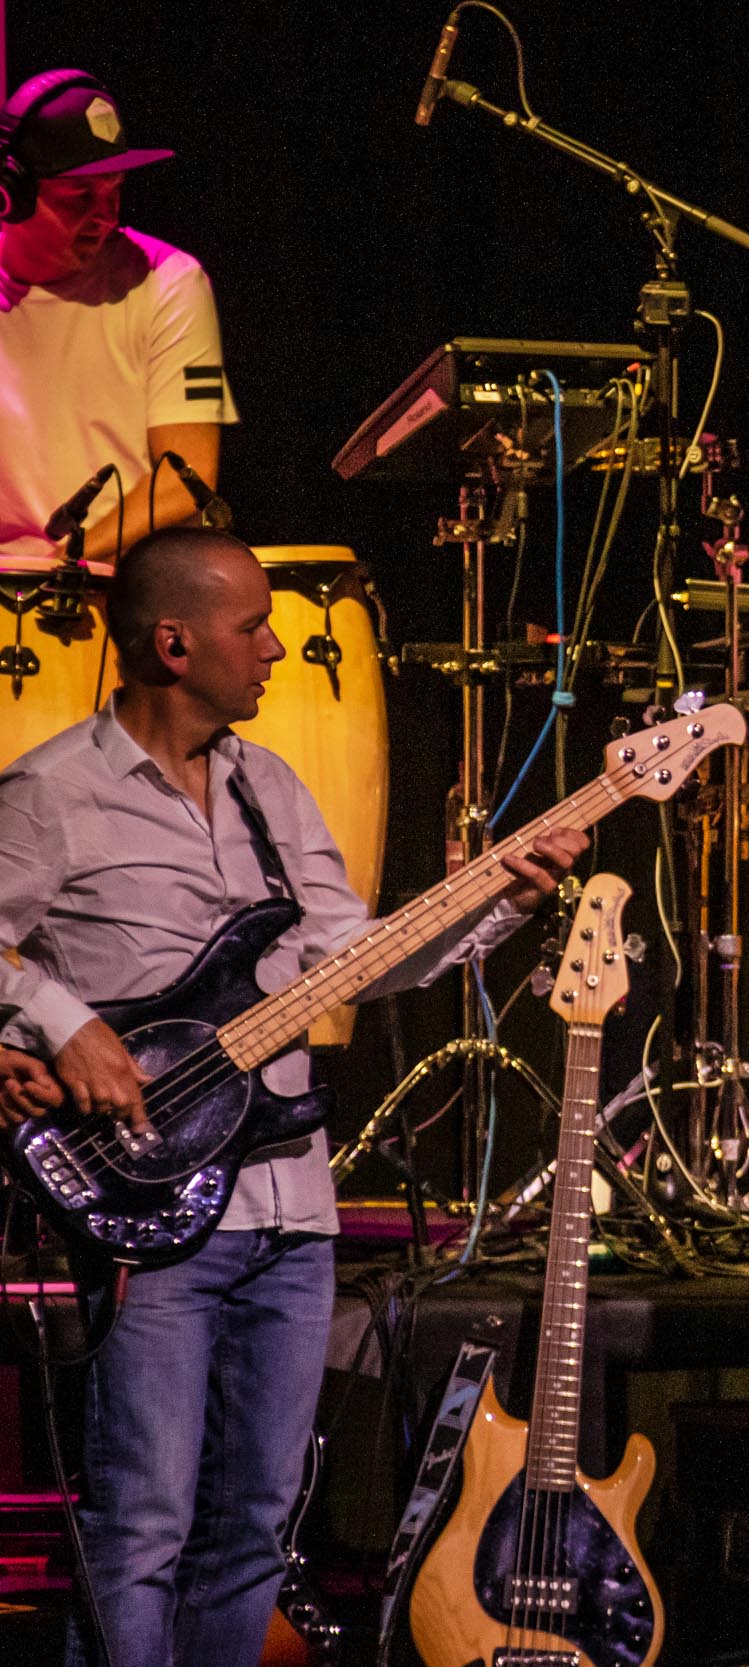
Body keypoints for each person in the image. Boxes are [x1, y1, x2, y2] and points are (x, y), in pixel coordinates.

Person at [0, 528, 586, 1667]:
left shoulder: (268, 784)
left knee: (256, 1533)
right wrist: (65, 1021)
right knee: (142, 1527)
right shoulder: (52, 792)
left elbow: (351, 957)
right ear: (173, 643)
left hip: (292, 1206)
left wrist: (499, 903)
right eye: (252, 626)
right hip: (150, 1205)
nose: (274, 648)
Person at [0, 69, 235, 569]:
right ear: (11, 193)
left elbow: (185, 477)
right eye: (80, 197)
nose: (106, 215)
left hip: (115, 583)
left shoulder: (169, 281)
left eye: (114, 191)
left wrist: (63, 564)